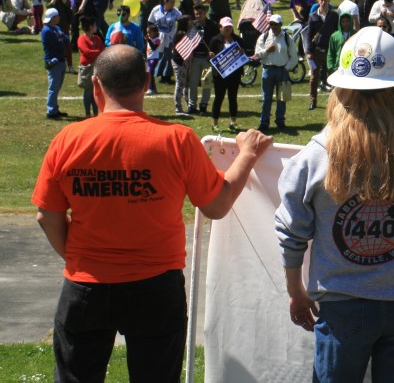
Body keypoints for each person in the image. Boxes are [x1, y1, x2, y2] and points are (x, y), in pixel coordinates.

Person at [33, 45, 271, 383]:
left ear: (96, 85)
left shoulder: (68, 139)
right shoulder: (176, 140)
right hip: (156, 285)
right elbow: (216, 205)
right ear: (146, 82)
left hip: (87, 285)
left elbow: (47, 215)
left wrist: (80, 257)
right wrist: (246, 154)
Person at [275, 27, 394, 383]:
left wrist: (295, 292)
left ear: (341, 88)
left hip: (343, 303)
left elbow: (291, 232)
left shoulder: (316, 156)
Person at [255, 14, 298, 132]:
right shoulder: (264, 37)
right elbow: (257, 54)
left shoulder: (287, 38)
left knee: (282, 98)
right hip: (267, 70)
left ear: (280, 25)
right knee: (266, 98)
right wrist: (266, 51)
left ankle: (280, 121)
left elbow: (294, 57)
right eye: (271, 24)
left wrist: (287, 68)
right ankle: (264, 122)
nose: (273, 26)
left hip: (282, 71)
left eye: (276, 24)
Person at [303, 0, 339, 110]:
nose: (323, 2)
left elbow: (337, 32)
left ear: (329, 1)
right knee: (314, 77)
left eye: (325, 0)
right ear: (318, 1)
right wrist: (308, 51)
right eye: (321, 0)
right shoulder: (313, 16)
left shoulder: (334, 16)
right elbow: (308, 35)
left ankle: (334, 102)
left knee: (332, 76)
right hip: (316, 51)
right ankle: (313, 100)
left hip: (330, 51)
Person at [209, 16, 244, 132]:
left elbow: (246, 55)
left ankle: (233, 123)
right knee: (218, 98)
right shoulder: (215, 40)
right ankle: (215, 124)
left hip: (234, 74)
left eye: (230, 27)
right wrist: (211, 56)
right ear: (220, 27)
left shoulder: (238, 40)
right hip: (219, 75)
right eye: (226, 27)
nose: (228, 29)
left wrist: (243, 52)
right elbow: (209, 56)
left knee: (232, 98)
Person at [42, 8, 70, 120]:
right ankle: (51, 111)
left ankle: (54, 108)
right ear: (53, 18)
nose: (59, 18)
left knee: (57, 87)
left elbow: (67, 40)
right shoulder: (47, 31)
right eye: (57, 16)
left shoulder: (56, 28)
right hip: (54, 62)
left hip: (61, 60)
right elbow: (58, 44)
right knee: (53, 87)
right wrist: (61, 37)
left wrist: (62, 37)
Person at [76, 16, 103, 117]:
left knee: (95, 90)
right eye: (94, 25)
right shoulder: (81, 39)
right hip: (87, 68)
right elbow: (87, 52)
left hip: (96, 67)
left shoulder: (96, 38)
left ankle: (95, 112)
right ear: (91, 26)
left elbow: (101, 48)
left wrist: (98, 52)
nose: (96, 27)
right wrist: (99, 52)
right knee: (88, 91)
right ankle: (88, 113)